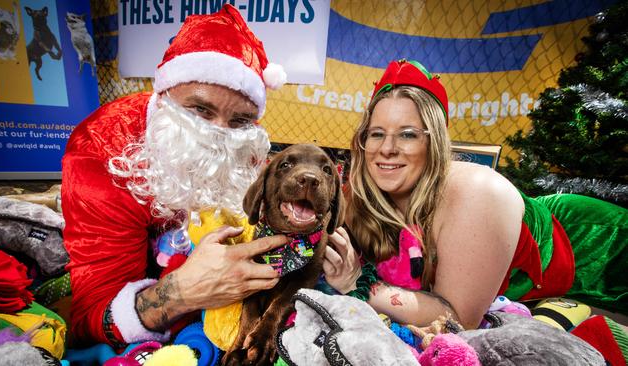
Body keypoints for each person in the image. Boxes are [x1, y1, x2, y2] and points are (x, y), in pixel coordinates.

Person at [322, 59, 627, 330]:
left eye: (408, 134)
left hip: (596, 244)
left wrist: (357, 282)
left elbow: (459, 318)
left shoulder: (476, 193)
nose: (387, 149)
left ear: (434, 143)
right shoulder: (361, 191)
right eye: (377, 133)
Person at [61, 4, 289, 347]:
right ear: (166, 93)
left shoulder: (246, 144)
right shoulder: (104, 149)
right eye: (200, 110)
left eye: (239, 121)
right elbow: (91, 314)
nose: (218, 136)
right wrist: (183, 293)